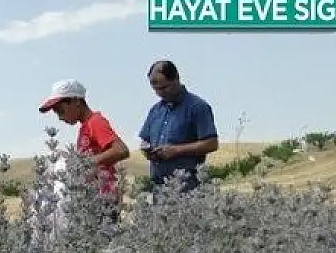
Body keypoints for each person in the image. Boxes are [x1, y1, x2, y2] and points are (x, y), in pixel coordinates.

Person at [38, 79, 130, 198]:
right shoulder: (85, 127)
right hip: (93, 196)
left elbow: (121, 150)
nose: (60, 117)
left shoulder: (95, 122)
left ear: (76, 101)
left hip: (105, 198)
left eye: (61, 111)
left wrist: (84, 163)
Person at [138, 60, 218, 193]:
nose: (159, 93)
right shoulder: (155, 110)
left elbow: (212, 143)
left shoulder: (197, 107)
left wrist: (176, 150)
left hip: (187, 187)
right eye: (155, 89)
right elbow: (145, 140)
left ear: (176, 79)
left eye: (164, 88)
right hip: (159, 186)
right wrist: (148, 151)